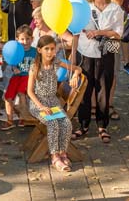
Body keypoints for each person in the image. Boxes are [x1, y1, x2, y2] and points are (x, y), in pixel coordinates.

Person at [72, 0, 123, 143]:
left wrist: (100, 33)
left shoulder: (115, 9)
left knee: (104, 89)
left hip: (106, 53)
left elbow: (118, 33)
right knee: (85, 90)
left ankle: (102, 126)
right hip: (85, 52)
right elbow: (76, 30)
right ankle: (83, 125)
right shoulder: (85, 8)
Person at [27, 35, 82, 172]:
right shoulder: (35, 67)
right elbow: (29, 92)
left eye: (52, 49)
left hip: (53, 102)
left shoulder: (56, 62)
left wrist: (75, 74)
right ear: (39, 50)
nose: (50, 52)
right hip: (38, 103)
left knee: (66, 124)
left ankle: (63, 152)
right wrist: (41, 107)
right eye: (47, 49)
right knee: (53, 124)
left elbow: (77, 68)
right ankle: (54, 156)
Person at [1, 25, 36, 130]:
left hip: (28, 77)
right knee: (8, 96)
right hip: (16, 77)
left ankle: (23, 116)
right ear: (17, 39)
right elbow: (12, 60)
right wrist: (14, 67)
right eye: (22, 39)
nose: (25, 42)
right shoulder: (16, 50)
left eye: (27, 39)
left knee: (21, 94)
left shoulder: (35, 52)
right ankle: (10, 119)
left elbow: (39, 64)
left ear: (32, 39)